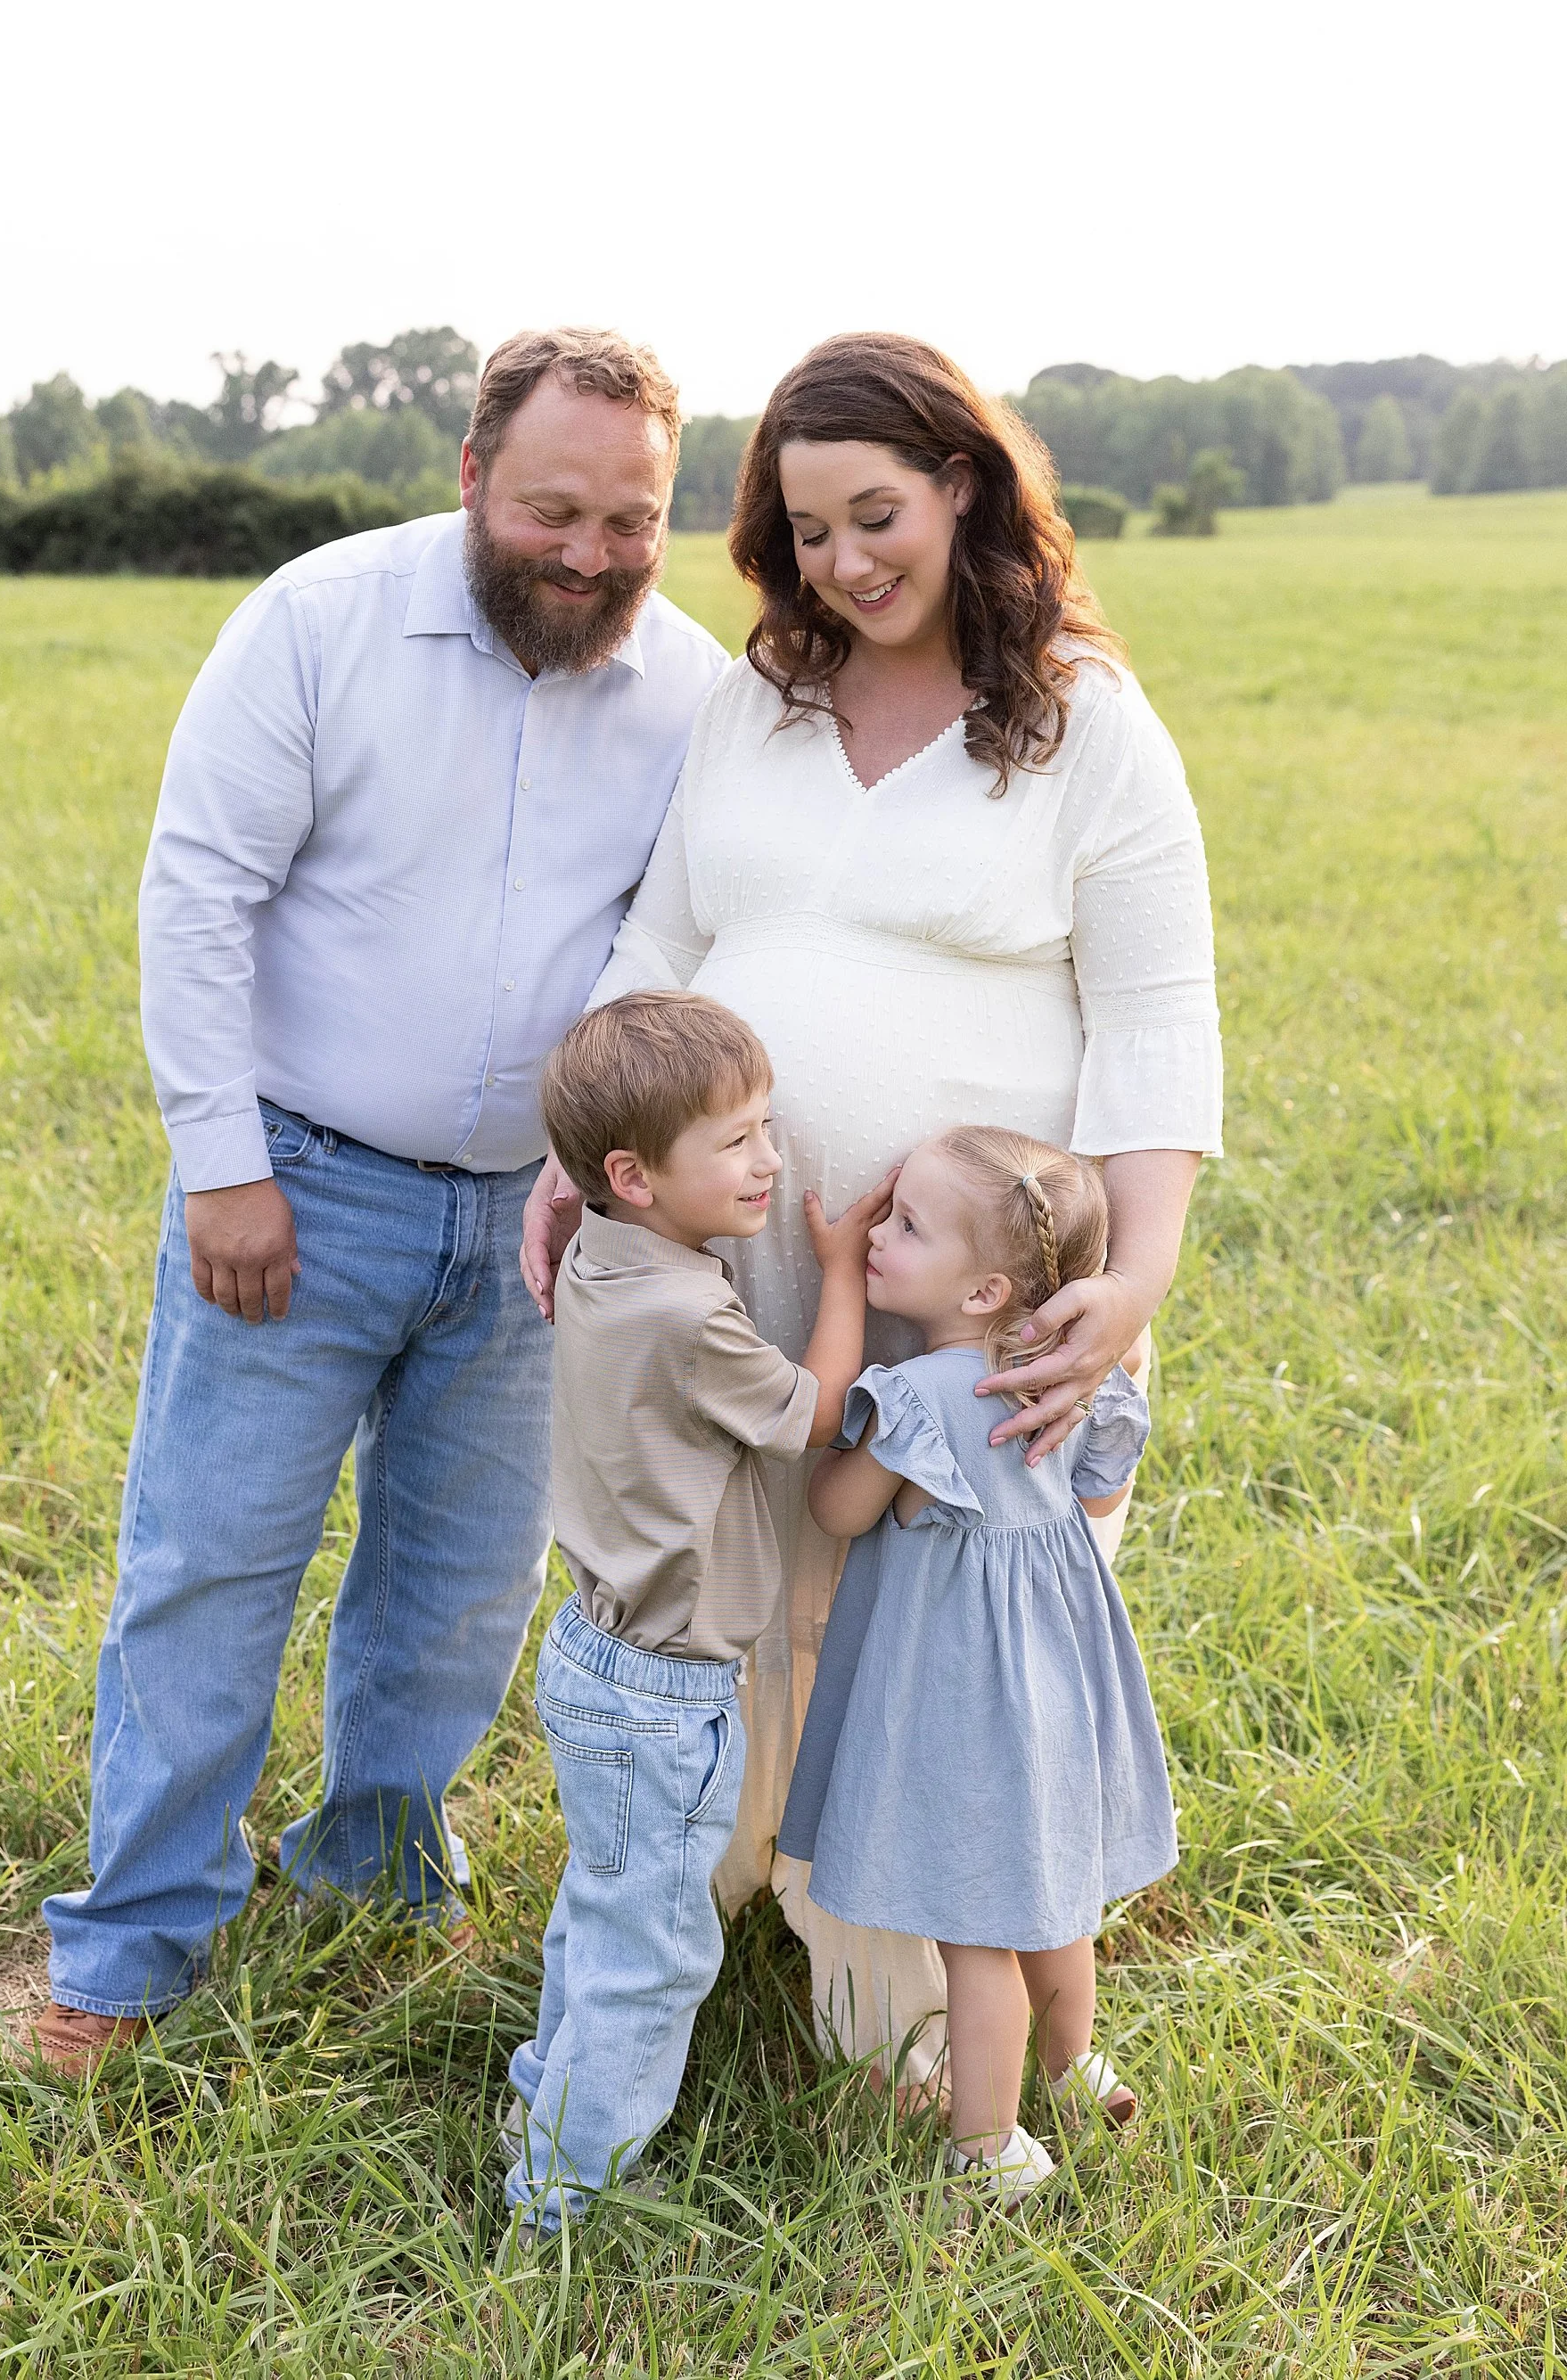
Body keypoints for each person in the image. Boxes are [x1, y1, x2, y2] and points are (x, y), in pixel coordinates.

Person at [522, 332, 1221, 2097]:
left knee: (919, 1599)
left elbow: (1154, 1021)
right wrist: (569, 1135)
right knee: (739, 1547)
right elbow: (666, 938)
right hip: (740, 1247)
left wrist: (1133, 1273)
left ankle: (910, 1960)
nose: (840, 561)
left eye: (875, 514)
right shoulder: (756, 696)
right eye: (804, 527)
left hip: (960, 1278)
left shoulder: (1081, 718)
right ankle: (728, 1861)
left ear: (968, 486)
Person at [30, 329, 727, 2077]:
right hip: (298, 1189)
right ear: (476, 469)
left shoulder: (691, 693)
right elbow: (198, 891)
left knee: (459, 1586)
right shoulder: (319, 620)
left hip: (530, 1223)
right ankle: (129, 1943)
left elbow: (672, 943)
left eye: (630, 518)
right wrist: (223, 1167)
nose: (586, 549)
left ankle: (376, 1870)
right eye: (554, 506)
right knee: (211, 1568)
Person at [502, 992, 892, 2232]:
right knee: (656, 1953)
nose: (768, 1160)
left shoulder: (610, 1252)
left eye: (766, 1125)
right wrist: (838, 1275)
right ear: (632, 1171)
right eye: (733, 1141)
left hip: (598, 1655)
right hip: (663, 1691)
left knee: (602, 1907)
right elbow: (819, 1409)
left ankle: (541, 2109)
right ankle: (563, 2201)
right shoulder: (689, 1310)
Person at [777, 1128, 1176, 2209]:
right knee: (1049, 1897)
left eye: (905, 1223)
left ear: (984, 1284)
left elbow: (834, 1508)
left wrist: (835, 1301)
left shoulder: (923, 1396)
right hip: (1057, 1673)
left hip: (956, 1692)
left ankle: (988, 2143)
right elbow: (1095, 1498)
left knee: (974, 1932)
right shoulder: (1061, 1379)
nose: (881, 1231)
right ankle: (1074, 2064)